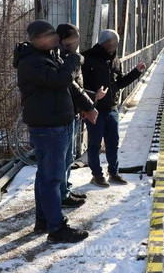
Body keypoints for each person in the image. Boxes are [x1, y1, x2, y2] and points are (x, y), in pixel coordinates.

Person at [13, 19, 88, 244]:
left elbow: (64, 84)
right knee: (52, 179)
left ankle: (44, 219)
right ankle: (57, 228)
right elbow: (59, 81)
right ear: (35, 40)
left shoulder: (46, 55)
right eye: (47, 36)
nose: (53, 39)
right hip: (49, 129)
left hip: (55, 125)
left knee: (45, 177)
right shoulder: (31, 62)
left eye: (52, 35)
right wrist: (73, 59)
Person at [82, 29, 146, 187]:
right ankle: (97, 175)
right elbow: (79, 86)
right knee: (94, 144)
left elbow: (119, 83)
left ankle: (113, 173)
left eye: (116, 43)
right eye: (111, 43)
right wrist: (93, 97)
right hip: (94, 109)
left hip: (112, 108)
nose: (114, 46)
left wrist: (136, 72)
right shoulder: (88, 58)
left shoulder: (115, 60)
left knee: (113, 143)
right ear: (103, 42)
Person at [55, 23, 105, 202]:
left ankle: (65, 190)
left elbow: (76, 86)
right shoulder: (62, 58)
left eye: (77, 37)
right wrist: (89, 104)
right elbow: (69, 86)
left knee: (67, 158)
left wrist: (84, 105)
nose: (76, 41)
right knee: (62, 159)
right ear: (61, 39)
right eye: (72, 38)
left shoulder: (70, 56)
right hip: (62, 116)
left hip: (72, 112)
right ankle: (62, 195)